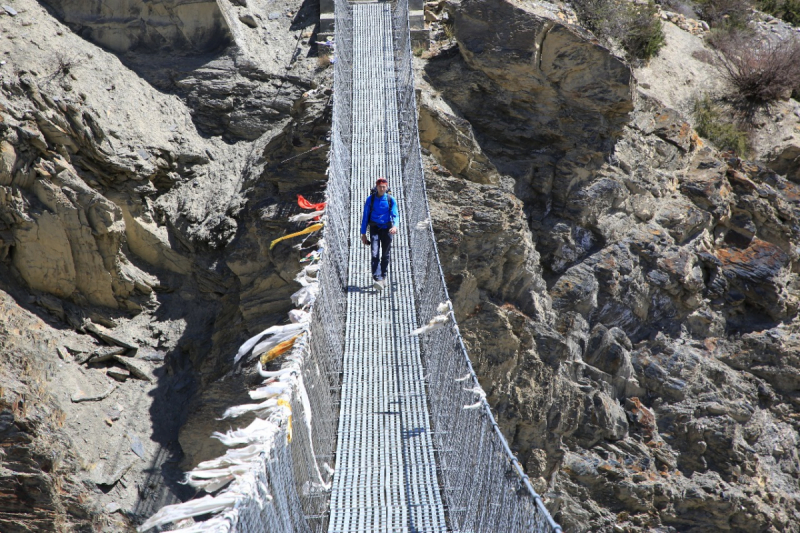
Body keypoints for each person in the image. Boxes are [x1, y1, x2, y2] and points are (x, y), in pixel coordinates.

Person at [360, 177, 398, 291]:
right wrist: (363, 234)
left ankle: (383, 276)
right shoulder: (370, 199)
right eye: (380, 187)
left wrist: (395, 226)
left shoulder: (391, 200)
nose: (382, 189)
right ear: (376, 187)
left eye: (384, 187)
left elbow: (395, 215)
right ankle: (378, 278)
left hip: (387, 228)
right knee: (375, 253)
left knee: (385, 254)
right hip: (374, 228)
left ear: (386, 187)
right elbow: (365, 217)